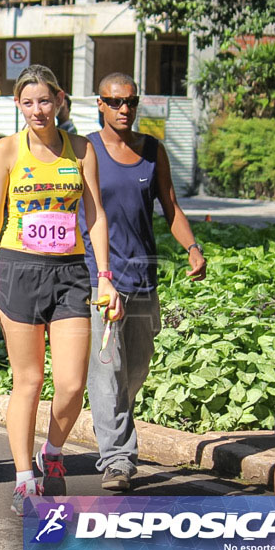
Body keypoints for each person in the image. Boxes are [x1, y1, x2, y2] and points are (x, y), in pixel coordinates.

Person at [0, 64, 120, 514]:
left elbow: (93, 215)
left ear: (59, 101)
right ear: (19, 105)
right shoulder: (7, 151)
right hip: (18, 271)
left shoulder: (82, 149)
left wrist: (105, 277)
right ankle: (23, 479)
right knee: (29, 381)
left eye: (45, 101)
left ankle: (51, 453)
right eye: (28, 102)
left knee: (72, 384)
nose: (38, 109)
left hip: (71, 272)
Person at [82, 72, 206, 492]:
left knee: (134, 371)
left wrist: (192, 248)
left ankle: (116, 430)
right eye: (115, 102)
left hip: (143, 278)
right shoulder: (88, 149)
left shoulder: (153, 150)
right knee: (107, 371)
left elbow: (170, 207)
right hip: (101, 278)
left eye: (131, 102)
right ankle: (117, 460)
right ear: (99, 103)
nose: (124, 110)